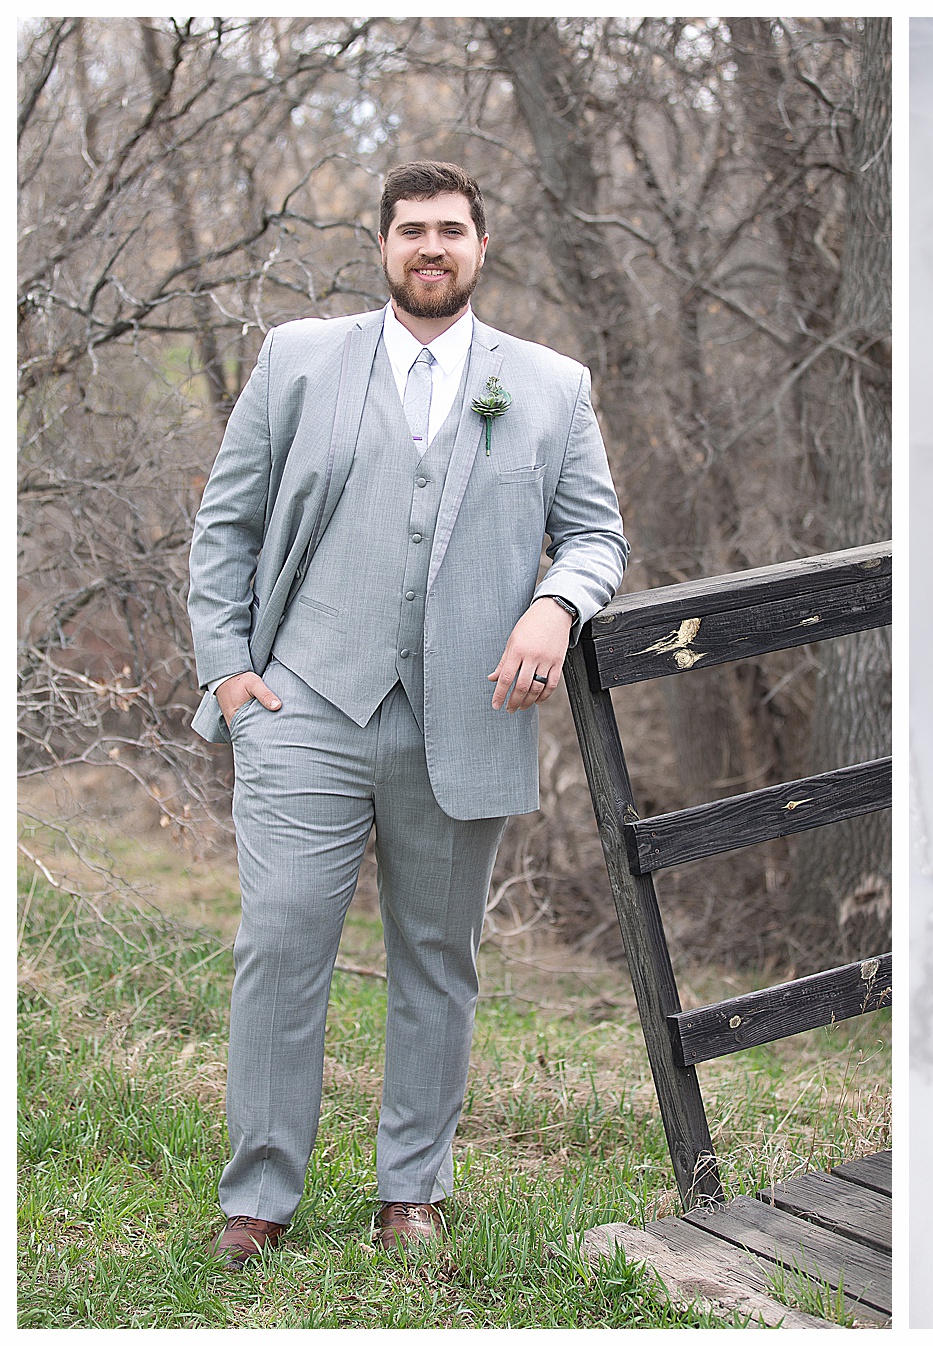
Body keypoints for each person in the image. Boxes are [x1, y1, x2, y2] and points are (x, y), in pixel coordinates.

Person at [187, 160, 628, 1266]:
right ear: (382, 246)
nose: (430, 247)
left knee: (438, 954)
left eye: (451, 231)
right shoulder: (298, 360)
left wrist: (553, 605)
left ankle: (411, 1191)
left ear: (482, 249)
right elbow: (225, 526)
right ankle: (259, 1197)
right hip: (305, 704)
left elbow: (596, 537)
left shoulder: (550, 386)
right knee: (282, 939)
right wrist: (231, 672)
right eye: (411, 231)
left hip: (465, 717)